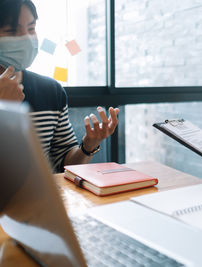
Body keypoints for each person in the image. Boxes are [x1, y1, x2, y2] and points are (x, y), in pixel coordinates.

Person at [0, 0, 119, 172]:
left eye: (31, 28)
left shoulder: (51, 90)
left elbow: (63, 165)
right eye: (12, 31)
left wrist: (89, 145)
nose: (26, 38)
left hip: (42, 197)